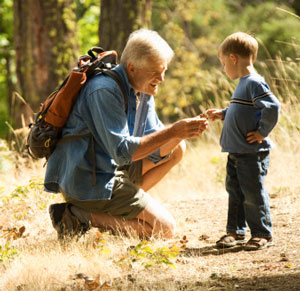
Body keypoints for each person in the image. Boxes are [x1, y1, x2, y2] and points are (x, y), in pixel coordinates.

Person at [45, 29, 208, 241]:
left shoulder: (143, 89)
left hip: (111, 168)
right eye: (155, 72)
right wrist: (173, 130)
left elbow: (155, 145)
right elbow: (123, 153)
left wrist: (182, 133)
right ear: (132, 68)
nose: (162, 78)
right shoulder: (103, 90)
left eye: (164, 71)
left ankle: (120, 206)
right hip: (87, 179)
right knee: (164, 230)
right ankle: (77, 215)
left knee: (177, 147)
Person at [206, 32, 280, 250]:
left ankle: (261, 233)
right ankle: (235, 231)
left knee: (252, 192)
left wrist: (262, 132)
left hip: (251, 152)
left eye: (222, 63)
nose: (223, 68)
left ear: (233, 58)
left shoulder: (254, 83)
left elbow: (273, 106)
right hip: (236, 151)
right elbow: (242, 110)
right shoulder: (243, 84)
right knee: (235, 191)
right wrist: (223, 113)